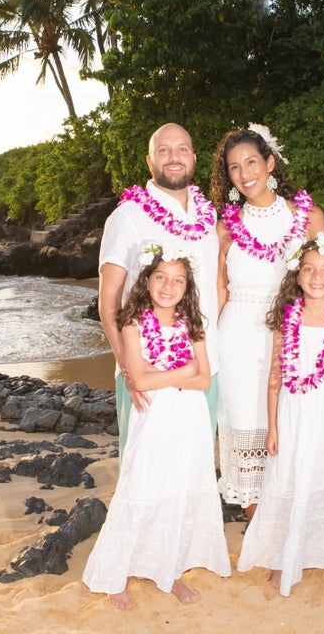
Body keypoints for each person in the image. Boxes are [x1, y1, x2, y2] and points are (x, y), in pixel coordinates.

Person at [83, 244, 231, 608]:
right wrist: (182, 372)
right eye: (161, 277)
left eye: (178, 280)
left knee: (181, 486)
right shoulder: (132, 324)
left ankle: (173, 571)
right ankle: (115, 575)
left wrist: (161, 374)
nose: (168, 286)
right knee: (141, 484)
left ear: (187, 287)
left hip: (190, 416)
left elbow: (204, 381)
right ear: (147, 281)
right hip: (153, 415)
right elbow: (141, 381)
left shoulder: (193, 324)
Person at [236, 234, 324, 596]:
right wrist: (272, 427)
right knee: (289, 480)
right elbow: (274, 379)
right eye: (309, 270)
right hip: (293, 416)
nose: (317, 277)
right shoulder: (287, 322)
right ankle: (286, 557)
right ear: (296, 276)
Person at [211, 123, 324, 518]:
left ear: (270, 163)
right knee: (245, 418)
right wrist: (203, 345)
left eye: (251, 162)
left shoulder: (309, 218)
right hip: (238, 336)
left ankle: (293, 507)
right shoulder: (225, 228)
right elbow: (219, 290)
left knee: (292, 419)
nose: (244, 174)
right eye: (234, 167)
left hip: (295, 333)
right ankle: (255, 513)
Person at [99, 123, 220, 456]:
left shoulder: (208, 219)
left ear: (194, 158)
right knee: (143, 472)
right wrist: (127, 367)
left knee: (193, 468)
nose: (174, 157)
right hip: (146, 368)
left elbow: (215, 287)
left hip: (203, 368)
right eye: (163, 150)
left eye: (182, 149)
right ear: (150, 161)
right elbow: (109, 299)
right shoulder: (128, 217)